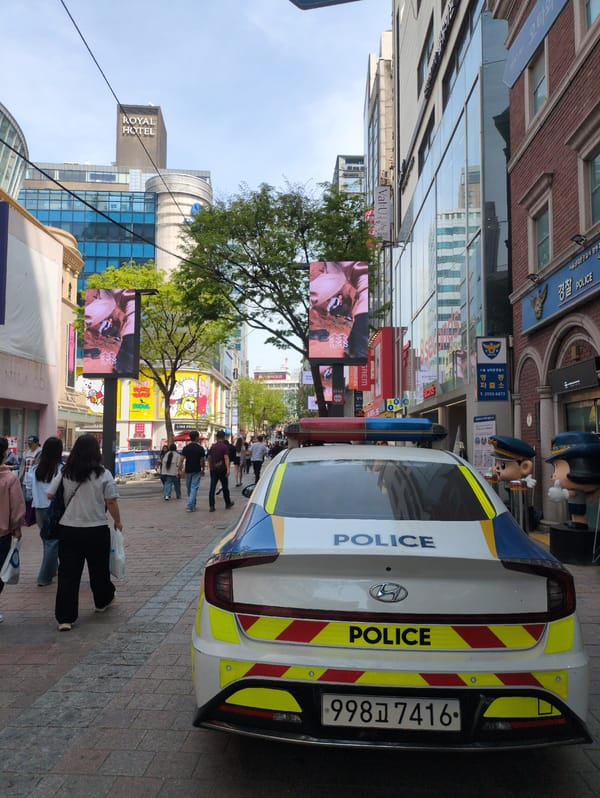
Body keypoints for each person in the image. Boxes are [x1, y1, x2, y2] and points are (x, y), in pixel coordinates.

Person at [47, 434, 122, 632]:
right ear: (96, 452)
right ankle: (101, 602)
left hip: (69, 528)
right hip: (96, 528)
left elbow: (49, 494)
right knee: (98, 569)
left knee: (68, 574)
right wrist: (118, 521)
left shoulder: (65, 472)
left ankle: (65, 618)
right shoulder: (103, 474)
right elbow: (111, 501)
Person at [26, 436, 64, 587]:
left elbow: (28, 490)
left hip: (39, 509)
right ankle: (44, 576)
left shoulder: (35, 470)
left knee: (47, 540)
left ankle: (53, 569)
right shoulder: (62, 469)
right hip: (55, 510)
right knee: (53, 542)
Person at [546, 432, 600, 528]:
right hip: (574, 505)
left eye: (558, 467)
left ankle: (580, 523)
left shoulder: (578, 491)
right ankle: (575, 522)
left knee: (578, 513)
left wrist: (563, 494)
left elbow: (572, 494)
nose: (553, 475)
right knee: (574, 513)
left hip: (578, 506)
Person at [0, 436, 26, 624]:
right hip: (2, 533)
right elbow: (16, 507)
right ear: (4, 454)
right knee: (0, 571)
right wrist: (17, 527)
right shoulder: (10, 479)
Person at [177, 430, 205, 512]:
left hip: (188, 470)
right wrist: (203, 469)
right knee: (194, 488)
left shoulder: (186, 448)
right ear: (196, 437)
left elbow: (181, 459)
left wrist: (180, 469)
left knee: (190, 488)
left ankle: (191, 505)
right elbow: (202, 460)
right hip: (197, 470)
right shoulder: (200, 448)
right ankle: (190, 505)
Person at [207, 431, 234, 512]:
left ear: (216, 437)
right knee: (225, 487)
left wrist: (210, 467)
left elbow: (209, 457)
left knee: (212, 487)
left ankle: (212, 506)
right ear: (224, 437)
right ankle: (227, 503)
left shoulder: (213, 446)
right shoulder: (224, 447)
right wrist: (228, 469)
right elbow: (226, 458)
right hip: (222, 469)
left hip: (213, 469)